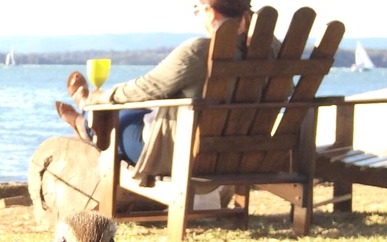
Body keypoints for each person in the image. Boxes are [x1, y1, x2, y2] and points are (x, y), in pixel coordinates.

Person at [56, 0, 253, 180]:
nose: (196, 14)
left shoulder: (199, 51)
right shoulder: (270, 52)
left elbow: (146, 87)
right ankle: (87, 111)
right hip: (242, 154)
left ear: (211, 12)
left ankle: (85, 119)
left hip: (180, 155)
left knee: (112, 119)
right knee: (136, 112)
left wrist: (104, 97)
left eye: (197, 8)